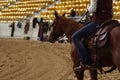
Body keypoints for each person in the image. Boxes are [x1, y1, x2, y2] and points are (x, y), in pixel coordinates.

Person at [72, 0, 113, 71]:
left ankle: (86, 62)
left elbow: (92, 9)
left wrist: (88, 7)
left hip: (98, 22)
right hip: (109, 22)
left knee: (75, 37)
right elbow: (111, 12)